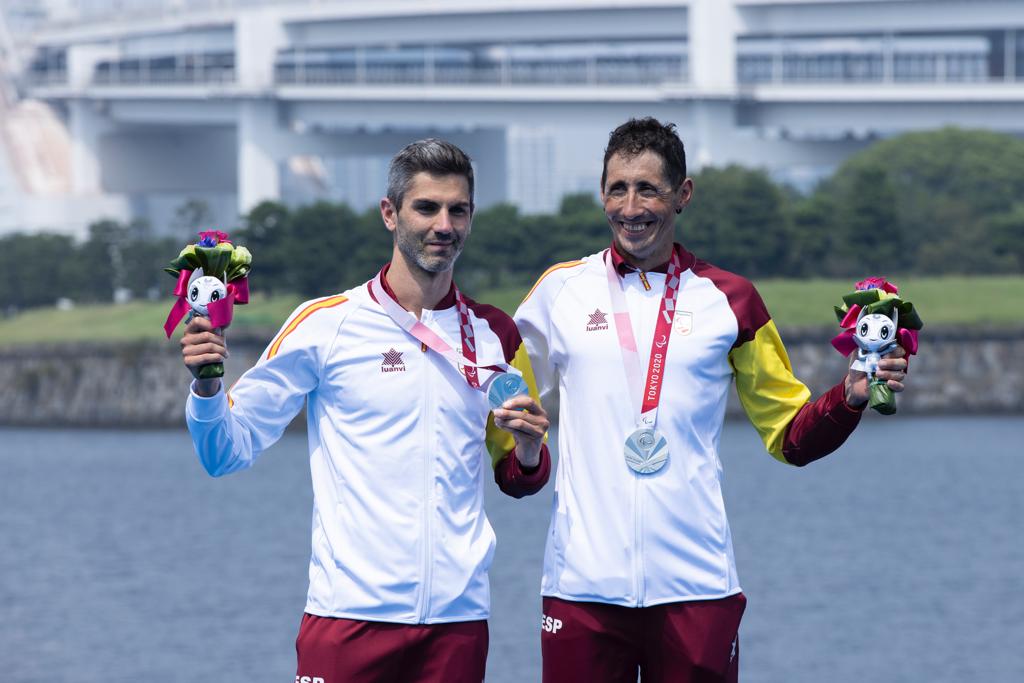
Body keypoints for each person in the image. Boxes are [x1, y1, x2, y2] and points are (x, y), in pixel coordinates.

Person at [514, 117, 911, 683]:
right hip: (581, 586)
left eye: (648, 188)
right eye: (618, 188)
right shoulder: (558, 292)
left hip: (697, 587)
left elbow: (790, 436)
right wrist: (522, 460)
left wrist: (848, 398)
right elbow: (506, 410)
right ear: (602, 194)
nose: (632, 206)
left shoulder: (734, 300)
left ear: (683, 194)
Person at [180, 138, 551, 683]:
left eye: (458, 209)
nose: (443, 224)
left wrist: (530, 449)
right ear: (389, 213)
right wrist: (209, 389)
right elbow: (223, 454)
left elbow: (519, 479)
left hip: (458, 622)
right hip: (347, 620)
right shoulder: (325, 324)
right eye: (426, 207)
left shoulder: (497, 334)